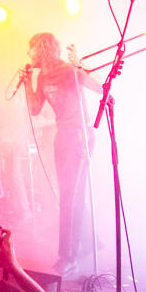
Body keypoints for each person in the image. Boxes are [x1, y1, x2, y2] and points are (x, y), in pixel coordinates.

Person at [22, 31, 98, 278]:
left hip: (78, 136)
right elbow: (35, 109)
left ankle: (68, 256)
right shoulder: (42, 75)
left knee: (69, 197)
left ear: (41, 49)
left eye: (30, 49)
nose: (28, 54)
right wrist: (26, 83)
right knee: (68, 195)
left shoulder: (68, 70)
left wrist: (80, 65)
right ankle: (87, 243)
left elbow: (99, 87)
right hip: (63, 136)